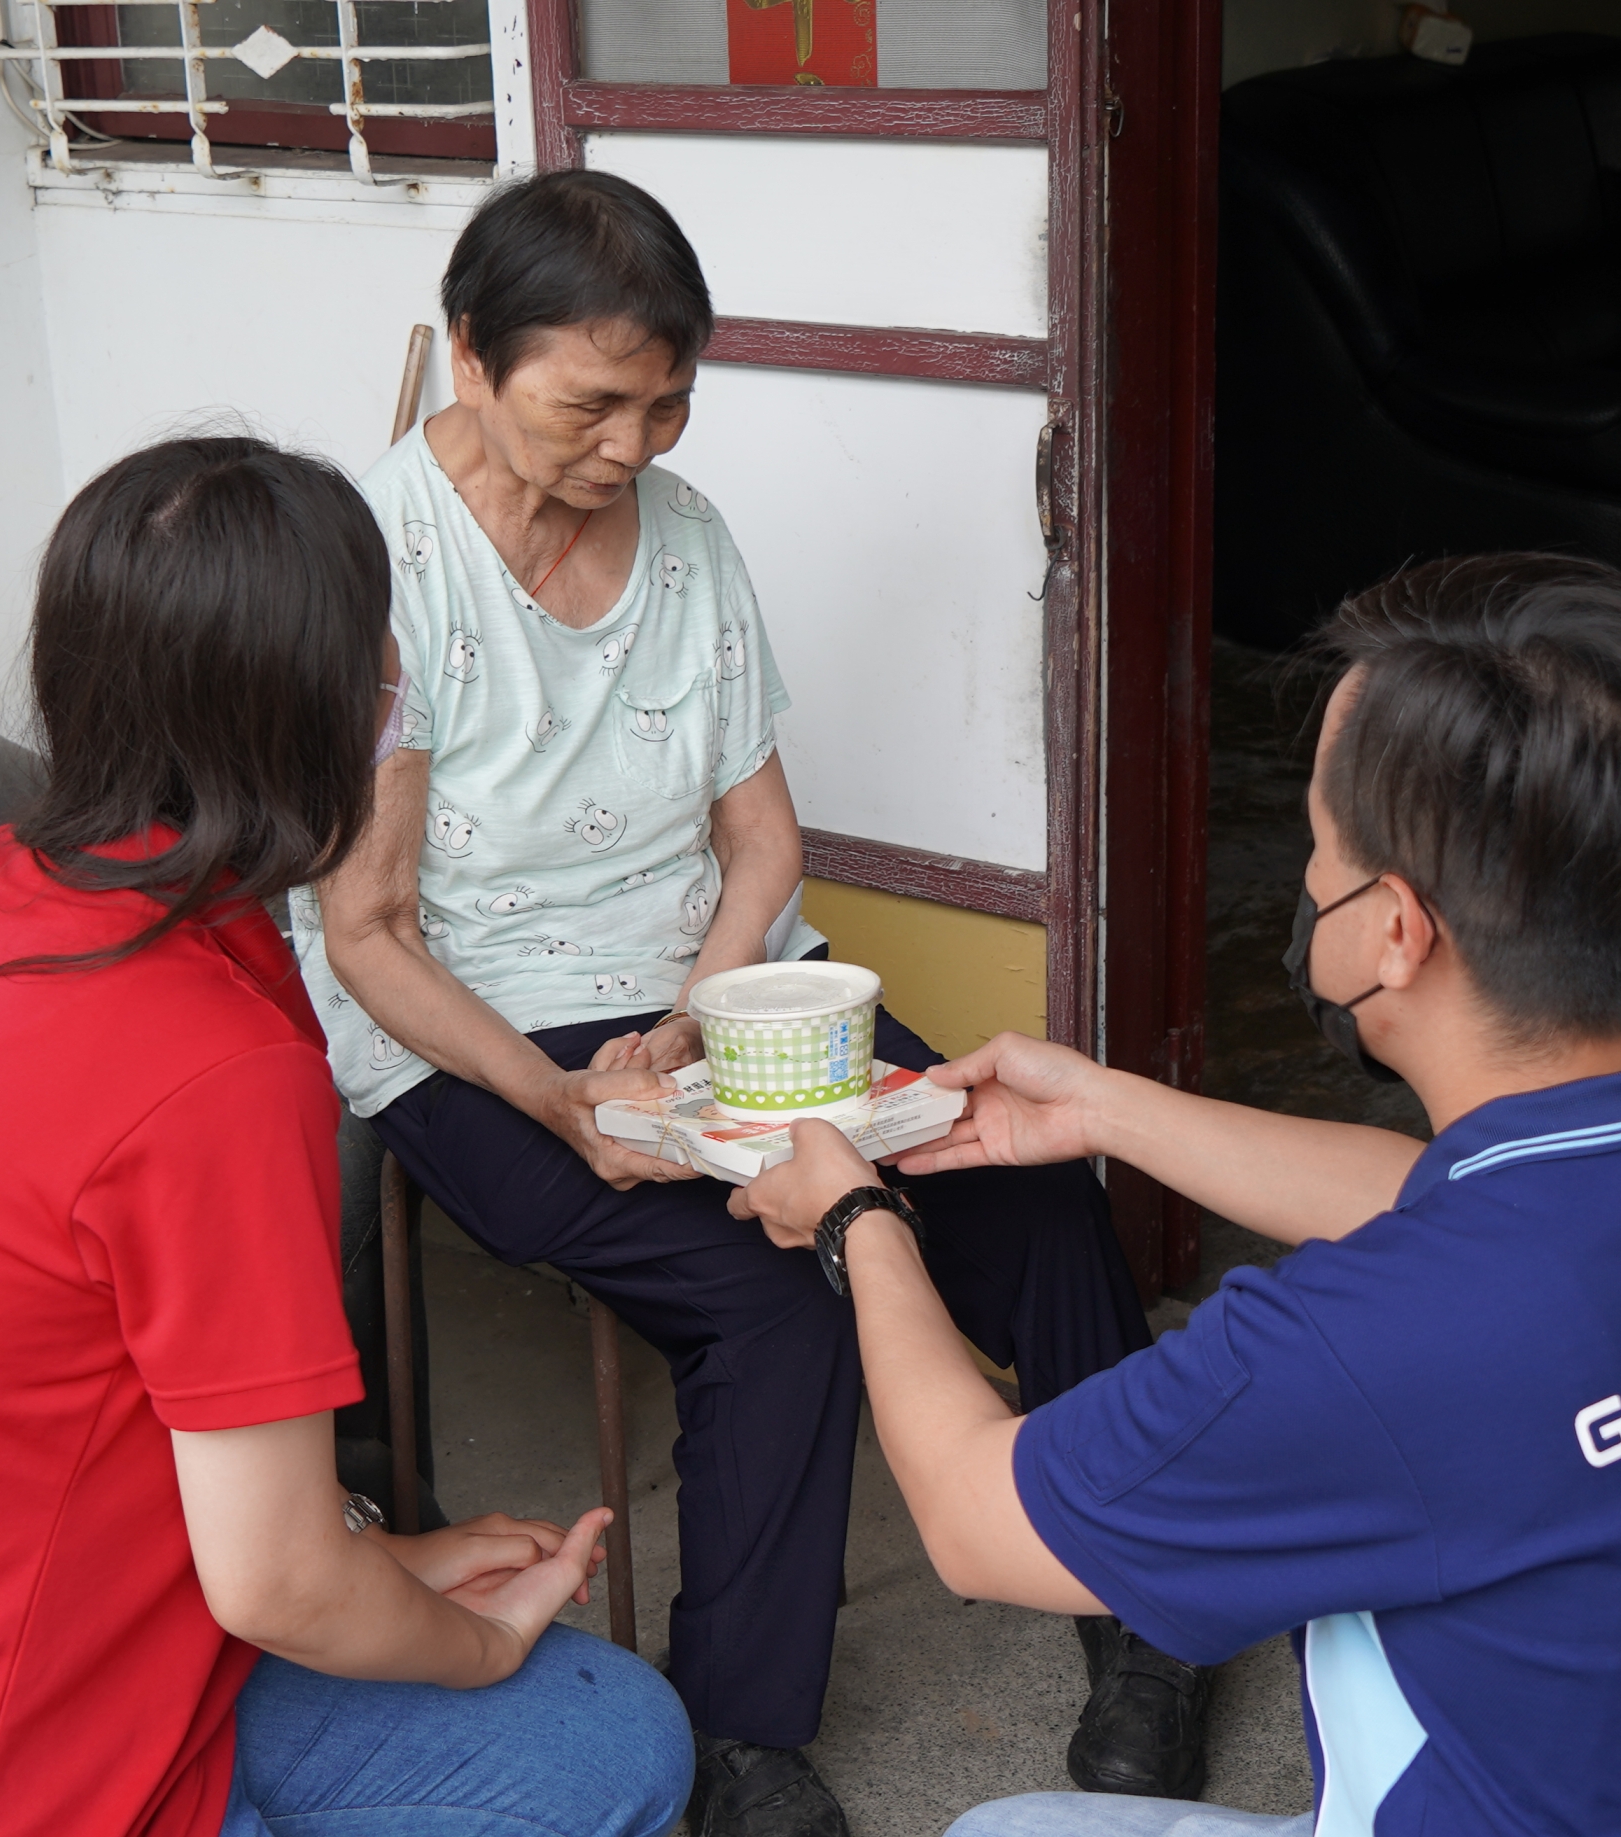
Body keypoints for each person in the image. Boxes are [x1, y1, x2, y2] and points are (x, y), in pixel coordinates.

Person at [733, 555, 1621, 1836]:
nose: (1300, 881)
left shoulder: (1366, 1344)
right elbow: (1446, 1215)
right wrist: (1105, 1110)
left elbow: (969, 1513)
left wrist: (857, 1220)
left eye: (1318, 849)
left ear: (1395, 928)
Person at [294, 168, 1192, 1836]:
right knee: (776, 1298)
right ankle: (740, 1740)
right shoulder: (375, 570)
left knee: (1019, 1169)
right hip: (470, 1038)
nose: (635, 445)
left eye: (669, 400)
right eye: (596, 402)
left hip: (707, 992)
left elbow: (761, 833)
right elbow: (367, 933)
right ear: (475, 358)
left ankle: (1145, 1602)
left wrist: (706, 1020)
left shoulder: (685, 538)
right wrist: (566, 1097)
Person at [0, 438, 694, 1837]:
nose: (397, 691)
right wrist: (469, 1641)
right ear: (311, 717)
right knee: (605, 1750)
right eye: (377, 661)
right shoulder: (211, 1071)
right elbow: (275, 1587)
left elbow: (106, 1402)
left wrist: (387, 1560)